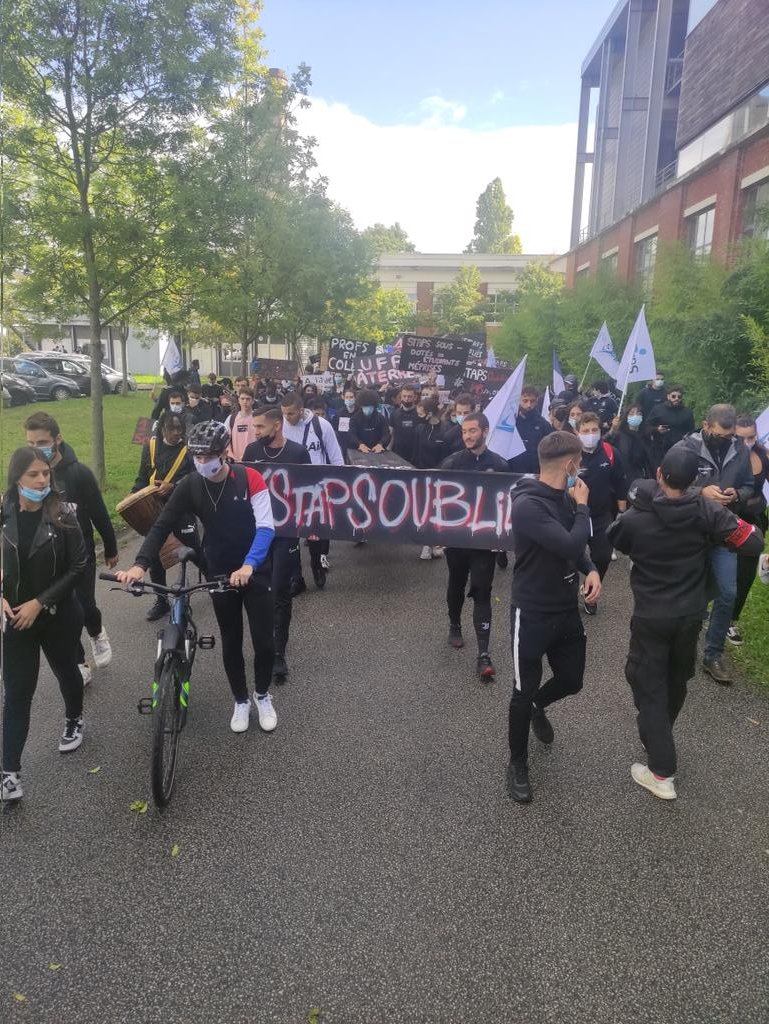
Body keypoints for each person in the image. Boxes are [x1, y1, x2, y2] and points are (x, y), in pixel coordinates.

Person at [607, 448, 764, 800]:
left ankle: (661, 771)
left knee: (646, 684)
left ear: (659, 473)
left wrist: (645, 503)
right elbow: (753, 541)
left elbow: (615, 539)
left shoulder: (637, 517)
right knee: (676, 678)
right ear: (696, 481)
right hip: (691, 613)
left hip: (652, 614)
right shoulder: (708, 511)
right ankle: (657, 734)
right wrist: (717, 532)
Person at [117, 421, 278, 735]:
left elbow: (267, 527)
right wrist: (139, 565)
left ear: (225, 452)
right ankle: (241, 700)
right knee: (231, 640)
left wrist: (249, 565)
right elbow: (161, 526)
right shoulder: (190, 485)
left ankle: (262, 695)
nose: (203, 462)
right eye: (197, 456)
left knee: (264, 641)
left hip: (254, 569)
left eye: (209, 456)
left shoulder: (250, 479)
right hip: (218, 568)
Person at [506, 430, 601, 804]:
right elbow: (568, 541)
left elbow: (577, 549)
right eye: (581, 462)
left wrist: (590, 567)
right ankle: (517, 764)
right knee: (520, 690)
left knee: (572, 680)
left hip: (565, 609)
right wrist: (582, 506)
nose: (583, 469)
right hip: (531, 612)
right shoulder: (528, 505)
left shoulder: (566, 497)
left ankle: (538, 705)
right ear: (571, 464)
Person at [1, 448, 88, 802]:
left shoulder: (63, 514)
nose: (41, 481)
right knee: (18, 693)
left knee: (66, 670)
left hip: (57, 614)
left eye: (45, 475)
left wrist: (41, 602)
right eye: (33, 475)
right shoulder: (2, 513)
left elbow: (79, 566)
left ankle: (74, 718)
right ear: (16, 478)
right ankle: (9, 772)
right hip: (16, 619)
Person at [24, 412, 118, 685]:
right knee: (65, 616)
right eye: (30, 442)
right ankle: (79, 661)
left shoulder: (79, 474)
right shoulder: (28, 475)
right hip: (49, 559)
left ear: (57, 440)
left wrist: (111, 547)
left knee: (85, 606)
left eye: (41, 441)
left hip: (81, 554)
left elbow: (99, 513)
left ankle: (97, 631)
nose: (35, 448)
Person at [671, 404, 754, 684]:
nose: (725, 440)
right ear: (706, 426)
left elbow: (748, 485)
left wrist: (736, 494)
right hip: (691, 532)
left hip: (724, 532)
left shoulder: (740, 449)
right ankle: (678, 647)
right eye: (719, 435)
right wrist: (699, 491)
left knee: (728, 593)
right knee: (688, 594)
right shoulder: (685, 448)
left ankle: (713, 654)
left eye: (730, 435)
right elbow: (667, 485)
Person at [439, 413, 510, 681]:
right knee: (456, 584)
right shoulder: (452, 462)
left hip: (484, 543)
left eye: (472, 431)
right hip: (457, 540)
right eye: (464, 432)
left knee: (482, 591)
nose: (467, 436)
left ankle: (483, 654)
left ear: (485, 431)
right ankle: (455, 623)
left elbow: (509, 502)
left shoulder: (500, 464)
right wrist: (440, 531)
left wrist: (503, 540)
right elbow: (435, 494)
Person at [243, 407, 311, 683]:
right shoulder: (250, 453)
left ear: (277, 425)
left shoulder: (298, 453)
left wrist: (312, 527)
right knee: (259, 590)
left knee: (281, 590)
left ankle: (278, 652)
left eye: (260, 427)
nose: (255, 432)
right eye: (254, 427)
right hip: (258, 533)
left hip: (287, 533)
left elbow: (311, 490)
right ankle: (264, 644)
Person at [131, 411, 198, 621]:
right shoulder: (150, 447)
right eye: (172, 429)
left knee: (194, 550)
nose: (176, 433)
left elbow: (196, 476)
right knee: (156, 557)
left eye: (180, 429)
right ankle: (162, 600)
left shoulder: (189, 450)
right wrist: (134, 495)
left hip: (182, 508)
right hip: (154, 510)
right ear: (162, 429)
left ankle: (203, 587)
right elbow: (143, 476)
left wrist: (174, 486)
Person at [281, 392, 344, 588]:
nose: (287, 418)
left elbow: (336, 457)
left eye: (291, 414)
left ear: (301, 411)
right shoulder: (280, 426)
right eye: (284, 414)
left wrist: (338, 486)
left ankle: (316, 564)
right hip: (289, 489)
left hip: (316, 489)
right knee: (290, 535)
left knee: (314, 534)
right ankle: (296, 576)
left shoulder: (321, 425)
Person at [576, 412, 627, 612]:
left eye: (594, 430)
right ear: (577, 432)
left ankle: (591, 593)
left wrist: (622, 511)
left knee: (603, 556)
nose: (590, 434)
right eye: (585, 431)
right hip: (574, 516)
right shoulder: (570, 454)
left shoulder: (610, 452)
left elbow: (620, 481)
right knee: (568, 557)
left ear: (600, 431)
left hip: (601, 515)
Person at [728, 415, 769, 647]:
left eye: (751, 437)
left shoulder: (762, 455)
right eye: (740, 438)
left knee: (744, 575)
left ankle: (731, 620)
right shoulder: (725, 456)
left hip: (753, 521)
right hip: (726, 519)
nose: (747, 442)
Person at [645, 385, 695, 468]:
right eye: (673, 396)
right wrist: (656, 429)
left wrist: (687, 438)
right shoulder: (658, 410)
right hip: (661, 449)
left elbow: (691, 430)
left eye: (679, 397)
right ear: (668, 397)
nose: (676, 399)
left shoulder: (687, 412)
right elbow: (647, 426)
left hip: (680, 448)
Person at [507, 385, 554, 475]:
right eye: (525, 401)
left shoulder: (543, 424)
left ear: (536, 401)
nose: (529, 405)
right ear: (519, 400)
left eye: (532, 401)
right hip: (511, 471)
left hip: (535, 472)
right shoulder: (510, 422)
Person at [606, 404, 653, 485]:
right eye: (631, 413)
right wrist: (612, 430)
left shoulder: (645, 436)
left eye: (638, 413)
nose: (635, 416)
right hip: (622, 479)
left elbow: (649, 461)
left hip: (639, 480)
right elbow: (604, 444)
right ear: (626, 417)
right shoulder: (619, 435)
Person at [348, 389, 390, 454]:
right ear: (361, 405)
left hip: (378, 451)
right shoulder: (354, 419)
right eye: (365, 406)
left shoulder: (381, 418)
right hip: (359, 452)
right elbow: (352, 434)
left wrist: (380, 444)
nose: (368, 409)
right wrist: (360, 444)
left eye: (370, 406)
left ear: (374, 406)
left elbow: (386, 434)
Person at [389, 384, 420, 464]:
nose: (406, 399)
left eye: (409, 396)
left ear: (415, 397)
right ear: (401, 397)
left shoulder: (420, 414)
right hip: (398, 454)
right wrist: (388, 450)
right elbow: (391, 433)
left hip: (416, 455)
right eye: (404, 396)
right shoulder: (394, 414)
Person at [225, 388, 259, 461]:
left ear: (253, 401)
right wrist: (231, 456)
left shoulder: (258, 418)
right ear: (238, 400)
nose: (245, 402)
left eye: (248, 399)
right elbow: (225, 439)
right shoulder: (231, 418)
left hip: (254, 461)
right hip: (235, 461)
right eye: (242, 399)